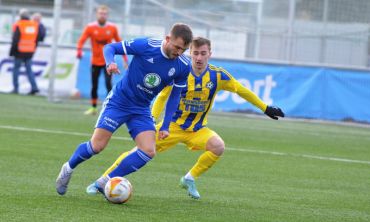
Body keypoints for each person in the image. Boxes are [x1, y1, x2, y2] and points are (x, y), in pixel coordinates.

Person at [86, 37, 285, 199]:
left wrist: (265, 108)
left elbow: (242, 91)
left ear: (210, 54)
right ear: (190, 53)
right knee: (139, 151)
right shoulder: (180, 72)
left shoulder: (218, 76)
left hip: (197, 130)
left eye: (203, 53)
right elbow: (162, 96)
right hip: (171, 128)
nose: (199, 57)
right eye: (195, 53)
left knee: (218, 146)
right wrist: (154, 121)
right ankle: (102, 180)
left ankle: (189, 179)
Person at [56, 23, 194, 196]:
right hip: (119, 101)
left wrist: (166, 125)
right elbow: (110, 47)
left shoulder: (183, 65)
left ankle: (105, 181)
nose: (179, 52)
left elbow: (175, 96)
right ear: (168, 39)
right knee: (97, 146)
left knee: (148, 151)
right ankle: (68, 168)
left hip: (141, 108)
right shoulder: (146, 46)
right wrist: (110, 63)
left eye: (184, 49)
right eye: (177, 47)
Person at [76, 5, 129, 115]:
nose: (102, 15)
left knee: (107, 84)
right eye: (100, 13)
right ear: (97, 14)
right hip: (95, 61)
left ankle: (110, 107)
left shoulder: (112, 28)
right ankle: (93, 108)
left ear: (107, 15)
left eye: (104, 14)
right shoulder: (90, 27)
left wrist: (125, 59)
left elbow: (120, 43)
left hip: (108, 62)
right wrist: (79, 51)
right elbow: (81, 41)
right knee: (94, 85)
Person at [9, 8, 40, 95]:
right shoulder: (34, 25)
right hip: (30, 51)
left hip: (19, 51)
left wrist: (12, 52)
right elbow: (37, 38)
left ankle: (16, 88)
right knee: (29, 70)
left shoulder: (19, 25)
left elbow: (15, 40)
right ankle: (34, 87)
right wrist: (34, 48)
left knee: (16, 70)